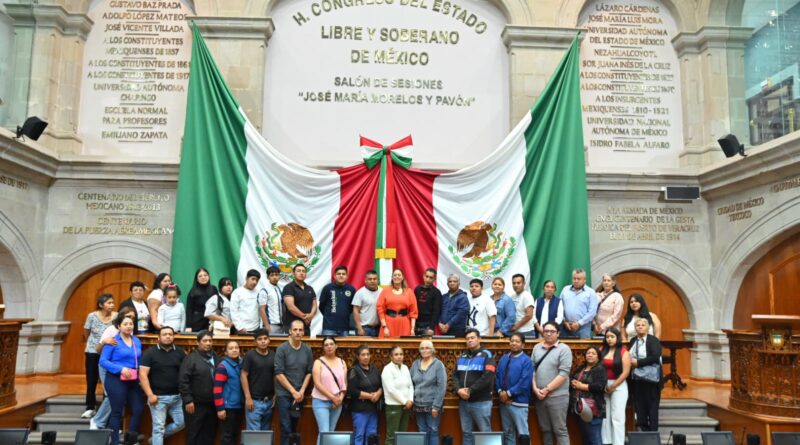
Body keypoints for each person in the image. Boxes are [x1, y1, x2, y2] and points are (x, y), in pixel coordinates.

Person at [99, 313, 144, 445]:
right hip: (115, 379)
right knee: (117, 411)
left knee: (138, 409)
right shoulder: (113, 341)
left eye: (131, 324)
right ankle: (115, 442)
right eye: (125, 324)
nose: (129, 326)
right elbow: (103, 361)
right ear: (119, 326)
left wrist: (140, 377)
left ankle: (130, 440)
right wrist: (120, 369)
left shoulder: (136, 341)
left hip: (133, 380)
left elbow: (139, 360)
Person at [91, 307, 137, 430]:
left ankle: (112, 425)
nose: (130, 320)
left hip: (121, 370)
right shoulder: (111, 329)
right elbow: (98, 350)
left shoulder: (130, 332)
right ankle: (97, 421)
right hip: (107, 366)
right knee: (111, 395)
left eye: (133, 318)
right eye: (128, 316)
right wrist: (105, 342)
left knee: (118, 397)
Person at [139, 326, 186, 445]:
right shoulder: (150, 353)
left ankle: (155, 439)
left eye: (170, 334)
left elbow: (186, 373)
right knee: (158, 428)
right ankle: (157, 438)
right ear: (158, 338)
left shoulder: (180, 352)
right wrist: (150, 395)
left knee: (182, 423)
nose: (168, 336)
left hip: (177, 398)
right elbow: (143, 375)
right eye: (165, 334)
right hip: (158, 398)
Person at [531, 321, 572, 445]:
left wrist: (546, 389)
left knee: (560, 430)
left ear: (558, 333)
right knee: (545, 430)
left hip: (558, 397)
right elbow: (532, 371)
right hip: (539, 397)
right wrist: (535, 389)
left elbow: (563, 374)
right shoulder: (537, 348)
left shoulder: (564, 349)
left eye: (552, 331)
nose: (548, 334)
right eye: (546, 331)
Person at [453, 328, 496, 445]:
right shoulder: (462, 356)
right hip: (464, 403)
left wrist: (470, 390)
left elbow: (488, 376)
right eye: (467, 339)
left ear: (479, 339)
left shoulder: (487, 354)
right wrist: (458, 390)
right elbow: (455, 376)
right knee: (467, 433)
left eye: (472, 338)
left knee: (485, 434)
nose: (470, 340)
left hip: (481, 402)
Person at [275, 320, 314, 445]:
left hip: (299, 395)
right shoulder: (282, 349)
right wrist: (293, 392)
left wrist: (301, 391)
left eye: (300, 330)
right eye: (295, 330)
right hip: (284, 394)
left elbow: (309, 372)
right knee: (286, 428)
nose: (298, 332)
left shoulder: (307, 350)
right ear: (290, 331)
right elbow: (279, 373)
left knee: (294, 427)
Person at [179, 330, 220, 445]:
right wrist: (188, 400)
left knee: (209, 434)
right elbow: (183, 381)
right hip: (195, 405)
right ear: (198, 343)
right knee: (193, 433)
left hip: (212, 404)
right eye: (205, 341)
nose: (208, 343)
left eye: (210, 341)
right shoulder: (190, 359)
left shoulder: (216, 357)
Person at [82, 293, 116, 418]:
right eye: (109, 303)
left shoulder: (116, 316)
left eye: (112, 302)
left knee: (106, 380)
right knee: (91, 379)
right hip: (92, 351)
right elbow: (86, 331)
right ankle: (90, 406)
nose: (112, 305)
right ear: (101, 305)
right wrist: (91, 343)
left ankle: (104, 407)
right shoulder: (92, 316)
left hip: (109, 353)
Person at [496, 333, 533, 445]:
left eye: (517, 341)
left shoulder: (526, 360)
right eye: (512, 341)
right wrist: (500, 393)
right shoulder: (503, 358)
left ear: (523, 345)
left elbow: (524, 382)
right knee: (508, 434)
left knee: (523, 435)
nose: (514, 343)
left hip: (519, 403)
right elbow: (497, 376)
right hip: (504, 403)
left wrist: (508, 393)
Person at [312, 336, 348, 445]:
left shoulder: (342, 362)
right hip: (321, 401)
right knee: (324, 432)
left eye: (331, 344)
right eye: (326, 345)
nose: (329, 347)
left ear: (336, 346)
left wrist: (340, 399)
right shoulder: (318, 362)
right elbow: (317, 384)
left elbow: (344, 384)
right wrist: (333, 398)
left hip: (337, 402)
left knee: (331, 431)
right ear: (323, 348)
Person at [629, 318, 663, 432]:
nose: (640, 327)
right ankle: (642, 430)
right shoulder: (633, 340)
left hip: (652, 380)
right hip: (637, 380)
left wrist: (638, 363)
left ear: (648, 328)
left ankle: (653, 433)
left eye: (643, 325)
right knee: (639, 406)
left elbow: (655, 356)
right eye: (637, 325)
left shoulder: (653, 340)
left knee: (652, 407)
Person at [411, 340, 447, 445]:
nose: (424, 350)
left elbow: (442, 386)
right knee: (422, 432)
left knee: (433, 431)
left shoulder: (438, 365)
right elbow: (410, 383)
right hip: (418, 405)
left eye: (427, 348)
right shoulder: (415, 364)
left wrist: (436, 406)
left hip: (432, 406)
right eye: (422, 348)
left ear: (432, 350)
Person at [570, 346, 608, 445]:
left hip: (594, 409)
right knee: (586, 438)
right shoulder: (581, 368)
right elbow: (572, 379)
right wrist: (573, 382)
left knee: (595, 439)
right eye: (588, 353)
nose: (590, 355)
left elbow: (600, 386)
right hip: (580, 409)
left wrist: (581, 386)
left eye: (593, 353)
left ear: (598, 357)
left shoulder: (600, 369)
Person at [241, 329, 276, 432]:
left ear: (269, 340)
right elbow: (243, 375)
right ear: (255, 341)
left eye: (265, 338)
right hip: (254, 402)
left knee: (265, 435)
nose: (263, 341)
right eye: (260, 339)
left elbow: (275, 376)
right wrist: (248, 398)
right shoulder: (250, 355)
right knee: (254, 437)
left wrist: (275, 394)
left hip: (269, 402)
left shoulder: (273, 355)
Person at [600, 327, 631, 445]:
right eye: (607, 337)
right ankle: (606, 442)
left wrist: (613, 386)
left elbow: (625, 373)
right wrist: (602, 385)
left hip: (619, 385)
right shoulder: (601, 350)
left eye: (612, 337)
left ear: (617, 338)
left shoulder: (624, 352)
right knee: (605, 417)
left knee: (617, 417)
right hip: (603, 386)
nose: (609, 339)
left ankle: (618, 443)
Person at [347, 345, 383, 445]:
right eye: (363, 355)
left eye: (368, 354)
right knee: (359, 435)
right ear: (358, 357)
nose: (366, 357)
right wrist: (371, 396)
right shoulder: (354, 370)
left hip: (373, 409)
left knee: (371, 436)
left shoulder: (374, 369)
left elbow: (381, 385)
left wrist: (378, 393)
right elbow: (352, 391)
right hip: (359, 409)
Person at [214, 340, 244, 445]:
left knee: (236, 436)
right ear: (226, 352)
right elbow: (217, 389)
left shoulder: (241, 363)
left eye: (236, 347)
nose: (234, 350)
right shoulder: (223, 367)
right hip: (227, 408)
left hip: (238, 406)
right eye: (231, 348)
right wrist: (220, 408)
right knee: (227, 437)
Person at [382, 346, 414, 445]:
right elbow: (391, 389)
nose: (399, 357)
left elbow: (411, 386)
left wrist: (410, 400)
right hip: (393, 406)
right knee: (392, 436)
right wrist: (405, 401)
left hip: (406, 406)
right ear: (391, 357)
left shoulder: (405, 368)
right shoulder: (387, 369)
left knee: (402, 435)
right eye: (396, 355)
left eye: (401, 354)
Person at [377, 268, 418, 337]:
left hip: (404, 324)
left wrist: (412, 329)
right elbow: (380, 309)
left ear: (402, 278)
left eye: (399, 275)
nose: (397, 276)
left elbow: (413, 312)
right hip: (388, 324)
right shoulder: (385, 291)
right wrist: (384, 327)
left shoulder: (409, 292)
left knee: (403, 346)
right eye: (395, 275)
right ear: (392, 277)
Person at [559, 269, 597, 339]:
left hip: (583, 327)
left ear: (584, 280)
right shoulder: (565, 290)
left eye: (578, 279)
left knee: (583, 348)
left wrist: (579, 323)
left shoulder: (591, 292)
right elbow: (559, 307)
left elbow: (592, 312)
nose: (576, 281)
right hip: (566, 327)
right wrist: (564, 321)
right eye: (574, 278)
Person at [319, 265, 356, 336]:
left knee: (345, 347)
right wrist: (331, 315)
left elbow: (352, 308)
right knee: (328, 347)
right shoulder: (327, 288)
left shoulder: (351, 289)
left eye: (343, 274)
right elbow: (321, 306)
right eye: (338, 274)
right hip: (329, 328)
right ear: (334, 276)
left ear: (347, 276)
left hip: (345, 327)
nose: (341, 276)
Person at [282, 263, 317, 336]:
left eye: (303, 271)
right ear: (293, 273)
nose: (301, 273)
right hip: (292, 327)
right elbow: (291, 307)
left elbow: (314, 305)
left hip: (306, 326)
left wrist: (310, 316)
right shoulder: (289, 287)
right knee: (292, 347)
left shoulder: (310, 288)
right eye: (298, 271)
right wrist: (304, 317)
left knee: (306, 346)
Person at [230, 269, 268, 334]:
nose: (254, 282)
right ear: (246, 278)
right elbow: (233, 311)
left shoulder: (259, 292)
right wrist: (240, 328)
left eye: (256, 280)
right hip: (241, 329)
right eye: (252, 279)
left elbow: (261, 309)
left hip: (256, 329)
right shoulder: (237, 292)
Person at [185, 268, 218, 332]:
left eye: (205, 275)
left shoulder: (214, 289)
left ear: (208, 277)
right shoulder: (192, 291)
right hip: (197, 322)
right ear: (197, 279)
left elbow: (218, 306)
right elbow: (189, 310)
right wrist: (188, 326)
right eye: (200, 276)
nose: (203, 277)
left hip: (211, 322)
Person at [414, 268, 442, 336]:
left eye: (431, 277)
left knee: (427, 345)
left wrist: (431, 327)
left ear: (434, 279)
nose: (428, 279)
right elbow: (413, 307)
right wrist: (413, 324)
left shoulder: (436, 292)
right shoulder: (417, 289)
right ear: (423, 276)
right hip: (416, 323)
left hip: (428, 324)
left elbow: (436, 311)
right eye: (427, 276)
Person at [353, 270, 381, 337]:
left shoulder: (382, 292)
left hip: (379, 328)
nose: (372, 281)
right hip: (365, 328)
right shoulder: (360, 293)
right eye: (370, 279)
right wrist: (359, 328)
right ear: (365, 280)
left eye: (374, 279)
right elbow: (355, 311)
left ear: (378, 280)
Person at [260, 266, 285, 335]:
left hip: (281, 325)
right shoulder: (264, 290)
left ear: (279, 276)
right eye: (272, 275)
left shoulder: (279, 289)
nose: (274, 277)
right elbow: (262, 309)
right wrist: (267, 326)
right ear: (268, 277)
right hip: (271, 325)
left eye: (276, 275)